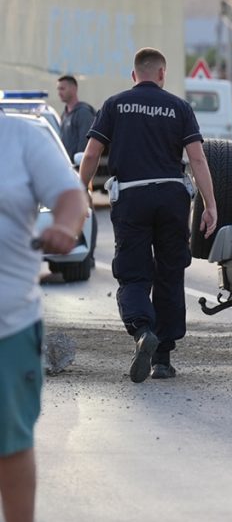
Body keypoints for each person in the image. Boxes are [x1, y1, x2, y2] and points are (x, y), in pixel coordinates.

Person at [78, 48, 218, 383]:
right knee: (170, 274)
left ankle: (142, 330)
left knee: (133, 274)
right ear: (161, 74)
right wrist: (210, 204)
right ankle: (162, 361)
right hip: (172, 196)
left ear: (134, 75)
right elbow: (197, 160)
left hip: (132, 196)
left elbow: (92, 152)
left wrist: (80, 191)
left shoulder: (115, 105)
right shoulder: (179, 107)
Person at [0, 113, 88, 522]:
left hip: (9, 325)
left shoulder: (20, 137)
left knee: (11, 446)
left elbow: (71, 196)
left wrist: (66, 226)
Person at [56, 75, 95, 158]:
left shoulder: (83, 113)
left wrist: (79, 162)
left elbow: (85, 143)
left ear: (74, 89)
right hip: (67, 164)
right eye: (58, 89)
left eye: (62, 89)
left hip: (78, 166)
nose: (59, 93)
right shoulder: (65, 114)